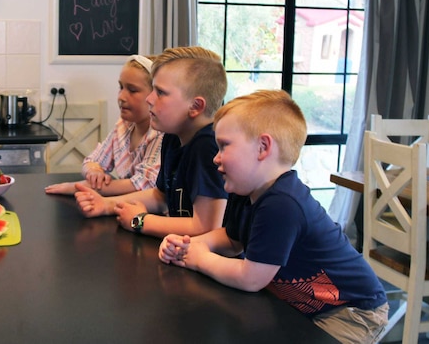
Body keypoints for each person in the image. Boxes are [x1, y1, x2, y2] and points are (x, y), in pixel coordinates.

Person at [159, 90, 388, 344]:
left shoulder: (283, 203)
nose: (216, 157)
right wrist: (195, 244)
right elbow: (233, 239)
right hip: (305, 305)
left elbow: (251, 278)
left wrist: (199, 259)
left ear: (263, 147)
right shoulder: (244, 188)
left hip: (350, 311)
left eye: (224, 146)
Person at [72, 46, 229, 238]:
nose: (149, 99)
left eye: (161, 92)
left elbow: (206, 227)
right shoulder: (172, 137)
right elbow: (161, 196)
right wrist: (106, 205)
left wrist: (139, 221)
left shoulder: (207, 147)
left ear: (195, 106)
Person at [44, 54, 163, 196]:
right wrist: (94, 171)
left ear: (155, 95)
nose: (121, 97)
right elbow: (93, 160)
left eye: (132, 90)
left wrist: (77, 187)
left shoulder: (160, 134)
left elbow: (143, 184)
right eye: (121, 87)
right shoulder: (123, 126)